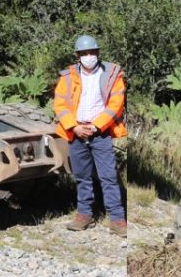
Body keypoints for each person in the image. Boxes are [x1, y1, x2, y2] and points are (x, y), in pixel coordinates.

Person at [53, 34, 127, 237]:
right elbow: (59, 105)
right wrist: (74, 126)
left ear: (98, 53)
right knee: (82, 177)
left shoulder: (112, 74)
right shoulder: (67, 77)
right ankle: (85, 215)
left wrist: (96, 126)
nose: (88, 56)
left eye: (92, 52)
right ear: (77, 56)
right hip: (76, 132)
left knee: (109, 177)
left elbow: (116, 104)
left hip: (100, 134)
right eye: (84, 53)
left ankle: (117, 218)